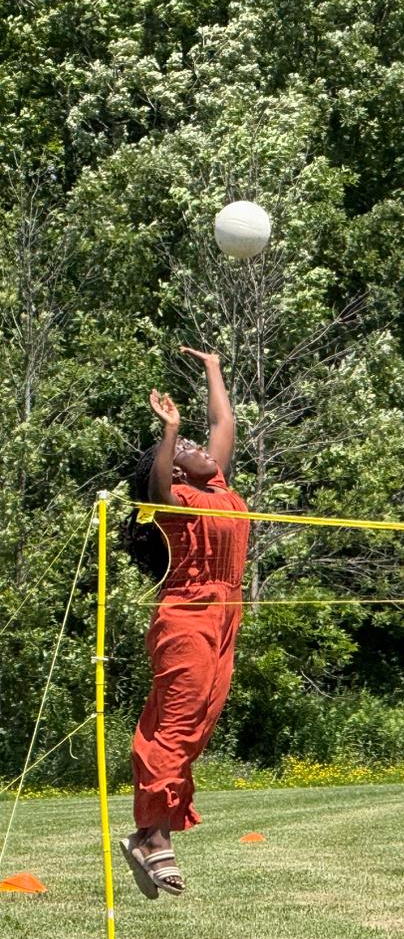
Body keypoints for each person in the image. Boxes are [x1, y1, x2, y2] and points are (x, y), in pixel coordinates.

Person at [121, 347, 247, 899]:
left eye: (198, 443)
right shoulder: (178, 502)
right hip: (187, 614)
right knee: (174, 723)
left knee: (200, 723)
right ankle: (150, 833)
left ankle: (156, 827)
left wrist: (212, 368)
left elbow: (225, 423)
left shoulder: (220, 489)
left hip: (226, 616)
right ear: (175, 467)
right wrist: (169, 430)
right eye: (187, 448)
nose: (202, 447)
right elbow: (154, 487)